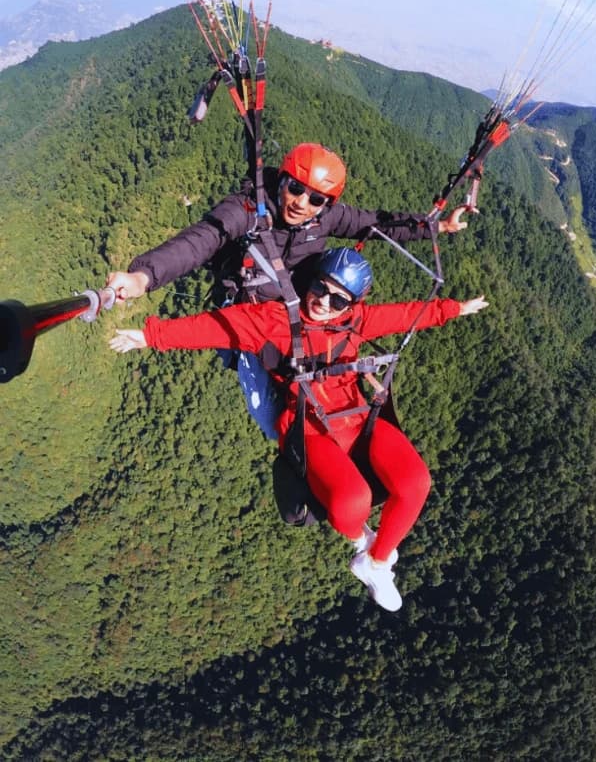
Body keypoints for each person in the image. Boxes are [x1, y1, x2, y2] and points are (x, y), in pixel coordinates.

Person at [110, 247, 488, 612]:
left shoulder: (356, 321)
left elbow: (406, 315)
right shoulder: (274, 321)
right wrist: (150, 336)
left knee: (415, 483)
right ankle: (365, 542)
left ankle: (374, 562)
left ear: (352, 305)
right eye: (320, 288)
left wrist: (454, 309)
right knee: (350, 503)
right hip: (309, 427)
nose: (324, 302)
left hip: (357, 418)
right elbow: (216, 328)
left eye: (338, 300)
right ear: (311, 282)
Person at [106, 143, 469, 438]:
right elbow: (201, 241)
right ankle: (299, 455)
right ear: (281, 181)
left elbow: (376, 225)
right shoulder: (246, 211)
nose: (301, 203)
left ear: (327, 204)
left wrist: (435, 228)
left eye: (315, 199)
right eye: (295, 188)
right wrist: (144, 277)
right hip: (256, 321)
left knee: (325, 384)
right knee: (268, 412)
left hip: (308, 312)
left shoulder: (326, 217)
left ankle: (341, 449)